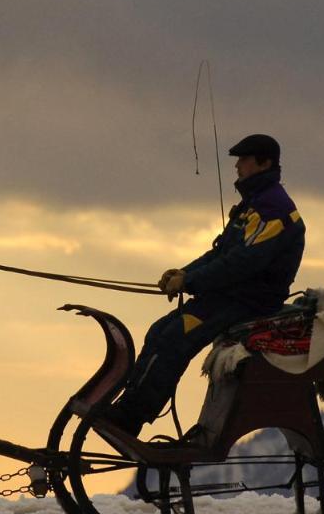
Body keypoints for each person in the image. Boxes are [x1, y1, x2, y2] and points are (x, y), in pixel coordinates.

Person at [103, 133, 305, 437]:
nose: (237, 166)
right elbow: (220, 253)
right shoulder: (253, 205)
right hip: (228, 296)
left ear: (264, 163)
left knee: (174, 337)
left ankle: (131, 417)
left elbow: (243, 263)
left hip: (248, 302)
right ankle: (130, 408)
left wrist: (191, 280)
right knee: (160, 331)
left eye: (243, 160)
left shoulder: (273, 209)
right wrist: (182, 274)